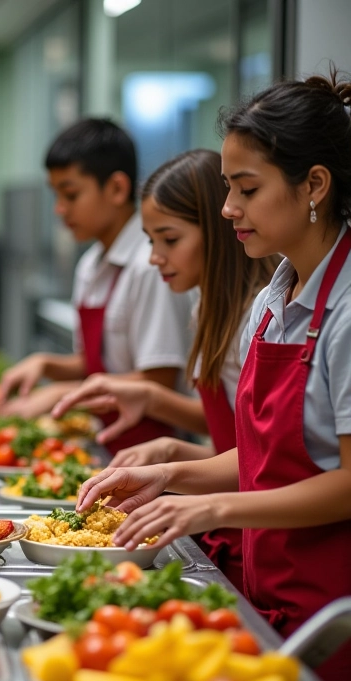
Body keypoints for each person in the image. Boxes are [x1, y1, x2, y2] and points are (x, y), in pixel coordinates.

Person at [77, 70, 351, 681]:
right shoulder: (275, 301)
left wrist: (212, 507)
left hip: (332, 611)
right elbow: (262, 461)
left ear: (313, 185)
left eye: (246, 189)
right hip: (269, 590)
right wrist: (173, 478)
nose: (229, 208)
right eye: (228, 190)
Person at [52, 149, 279, 590]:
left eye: (169, 240)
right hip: (228, 509)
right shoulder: (204, 306)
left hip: (250, 518)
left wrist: (171, 459)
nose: (154, 257)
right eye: (151, 240)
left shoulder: (258, 315)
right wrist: (164, 438)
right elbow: (237, 432)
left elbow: (263, 456)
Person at [0, 118, 195, 455]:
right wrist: (45, 364)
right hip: (108, 444)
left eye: (71, 194)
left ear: (117, 189)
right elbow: (95, 362)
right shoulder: (91, 264)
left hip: (156, 451)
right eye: (56, 195)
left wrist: (61, 392)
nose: (60, 209)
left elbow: (158, 380)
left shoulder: (152, 264)